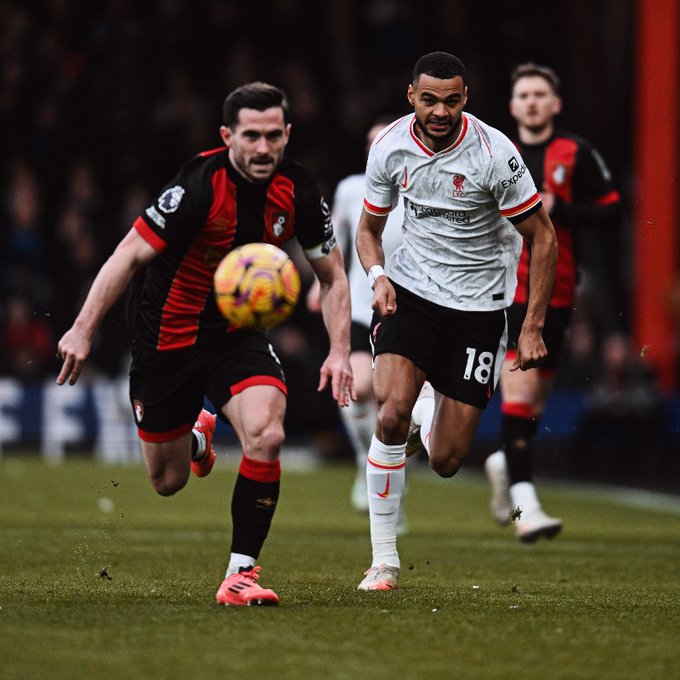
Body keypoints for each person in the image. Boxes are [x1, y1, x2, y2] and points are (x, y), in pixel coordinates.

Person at [56, 82, 354, 606]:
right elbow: (127, 255)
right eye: (251, 136)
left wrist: (338, 350)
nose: (263, 149)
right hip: (165, 340)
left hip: (237, 334)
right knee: (167, 481)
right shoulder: (198, 186)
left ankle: (240, 574)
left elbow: (332, 277)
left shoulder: (299, 191)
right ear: (227, 136)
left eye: (272, 136)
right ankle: (199, 433)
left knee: (266, 432)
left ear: (288, 133)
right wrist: (82, 328)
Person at [354, 51, 557, 591]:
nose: (440, 110)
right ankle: (384, 559)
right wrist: (378, 277)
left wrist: (530, 325)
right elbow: (367, 231)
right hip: (412, 293)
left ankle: (428, 417)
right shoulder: (391, 146)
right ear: (411, 97)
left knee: (445, 459)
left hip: (478, 309)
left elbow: (543, 236)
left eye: (451, 100)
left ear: (465, 98)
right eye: (429, 99)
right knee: (389, 413)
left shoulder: (495, 154)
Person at [480, 63, 622, 541]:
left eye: (541, 94)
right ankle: (526, 509)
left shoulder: (575, 152)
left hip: (557, 293)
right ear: (513, 105)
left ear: (555, 104)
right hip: (506, 292)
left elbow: (613, 210)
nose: (533, 102)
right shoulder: (496, 152)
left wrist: (564, 210)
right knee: (518, 395)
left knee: (533, 403)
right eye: (525, 94)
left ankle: (502, 461)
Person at [307, 119, 406, 521]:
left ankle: (391, 481)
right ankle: (367, 464)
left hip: (407, 308)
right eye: (371, 142)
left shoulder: (421, 191)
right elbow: (340, 241)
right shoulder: (350, 189)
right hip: (362, 305)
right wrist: (323, 283)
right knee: (356, 387)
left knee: (398, 409)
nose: (376, 148)